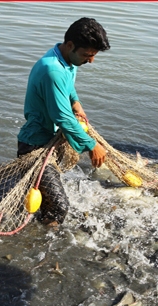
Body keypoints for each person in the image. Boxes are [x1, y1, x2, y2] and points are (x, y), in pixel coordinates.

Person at [17, 17, 110, 225]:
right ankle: (43, 248)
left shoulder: (68, 61)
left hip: (51, 141)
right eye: (88, 55)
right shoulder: (52, 70)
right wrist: (92, 145)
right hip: (34, 147)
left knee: (49, 194)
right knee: (59, 208)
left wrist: (76, 103)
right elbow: (62, 117)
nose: (91, 61)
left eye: (93, 56)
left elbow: (68, 88)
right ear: (70, 45)